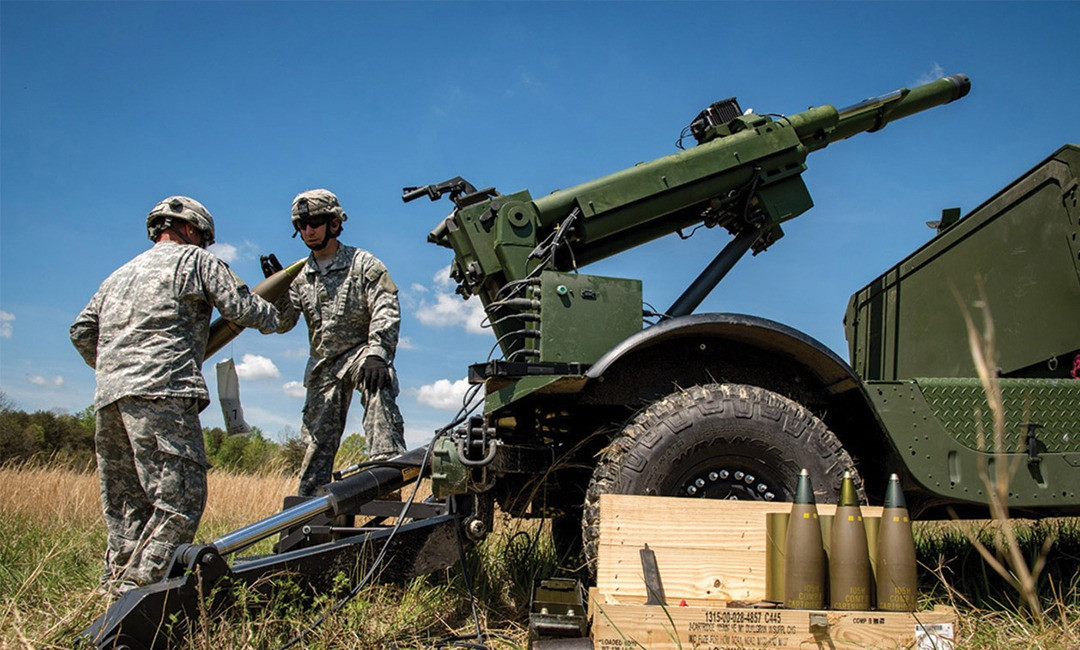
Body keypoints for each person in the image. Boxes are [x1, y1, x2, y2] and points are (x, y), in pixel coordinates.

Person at [70, 196, 290, 591]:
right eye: (204, 238)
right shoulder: (197, 262)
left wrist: (117, 367)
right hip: (164, 391)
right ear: (192, 230)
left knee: (127, 503)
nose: (204, 245)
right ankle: (138, 593)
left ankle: (112, 586)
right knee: (179, 501)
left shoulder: (117, 276)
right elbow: (241, 309)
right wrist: (282, 315)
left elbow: (81, 332)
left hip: (109, 398)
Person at [279, 189, 406, 496]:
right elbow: (282, 324)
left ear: (334, 224)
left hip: (360, 355)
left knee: (379, 384)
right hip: (323, 366)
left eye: (315, 223)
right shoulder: (298, 276)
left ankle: (386, 476)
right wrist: (278, 293)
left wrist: (378, 353)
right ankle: (307, 515)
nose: (308, 230)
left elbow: (386, 306)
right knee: (315, 445)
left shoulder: (363, 264)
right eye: (302, 225)